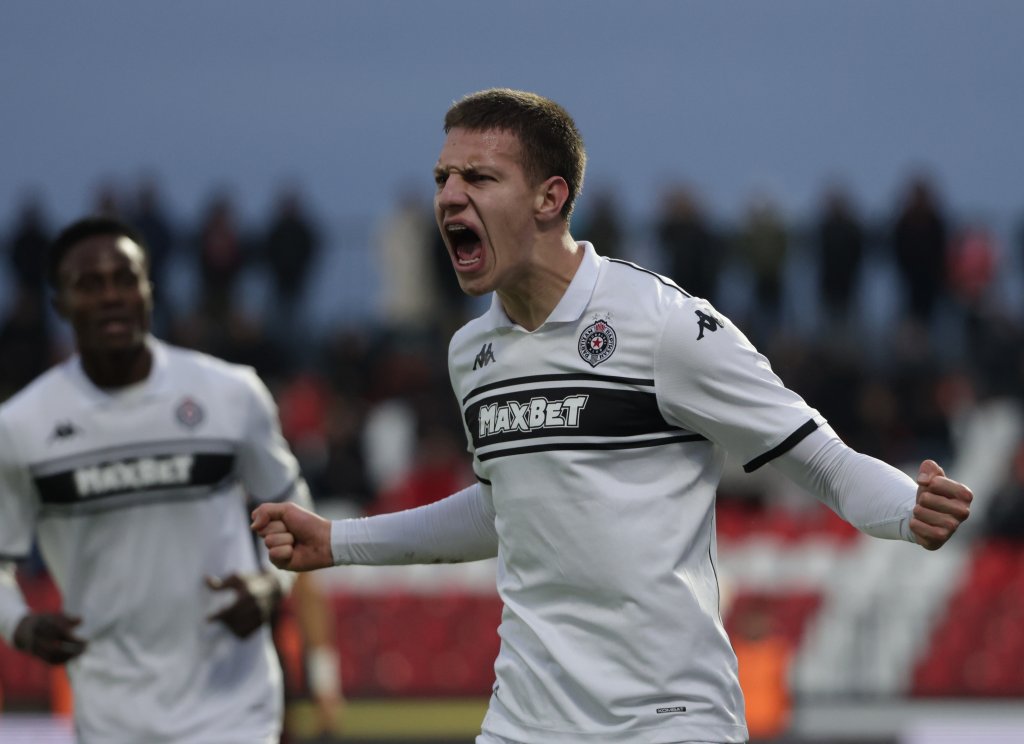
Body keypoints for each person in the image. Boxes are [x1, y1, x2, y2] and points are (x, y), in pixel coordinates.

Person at [251, 89, 973, 744]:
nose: (449, 196)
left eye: (479, 177)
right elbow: (506, 507)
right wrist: (338, 541)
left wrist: (908, 508)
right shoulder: (471, 354)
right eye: (442, 177)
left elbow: (823, 462)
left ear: (550, 198)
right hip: (524, 721)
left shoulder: (664, 325)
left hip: (667, 722)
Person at [0, 216, 314, 743]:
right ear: (60, 304)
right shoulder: (21, 427)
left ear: (150, 289)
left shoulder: (231, 394)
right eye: (89, 284)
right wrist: (19, 624)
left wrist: (271, 584)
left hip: (234, 708)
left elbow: (291, 505)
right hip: (111, 715)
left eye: (125, 279)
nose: (111, 296)